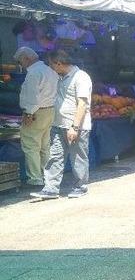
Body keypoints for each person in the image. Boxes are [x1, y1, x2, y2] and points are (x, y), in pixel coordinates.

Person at [30, 50, 91, 199]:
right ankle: (51, 188)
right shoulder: (59, 77)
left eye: (51, 64)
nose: (50, 68)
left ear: (59, 63)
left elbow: (82, 104)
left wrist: (75, 127)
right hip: (58, 124)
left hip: (76, 126)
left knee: (78, 157)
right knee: (55, 156)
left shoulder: (81, 77)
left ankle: (80, 187)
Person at [16, 47, 58, 188]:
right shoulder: (49, 70)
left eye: (19, 61)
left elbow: (32, 97)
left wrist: (28, 113)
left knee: (31, 146)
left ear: (25, 58)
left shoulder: (34, 73)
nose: (20, 65)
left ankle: (35, 178)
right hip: (50, 110)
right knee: (45, 146)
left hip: (36, 113)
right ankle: (48, 176)